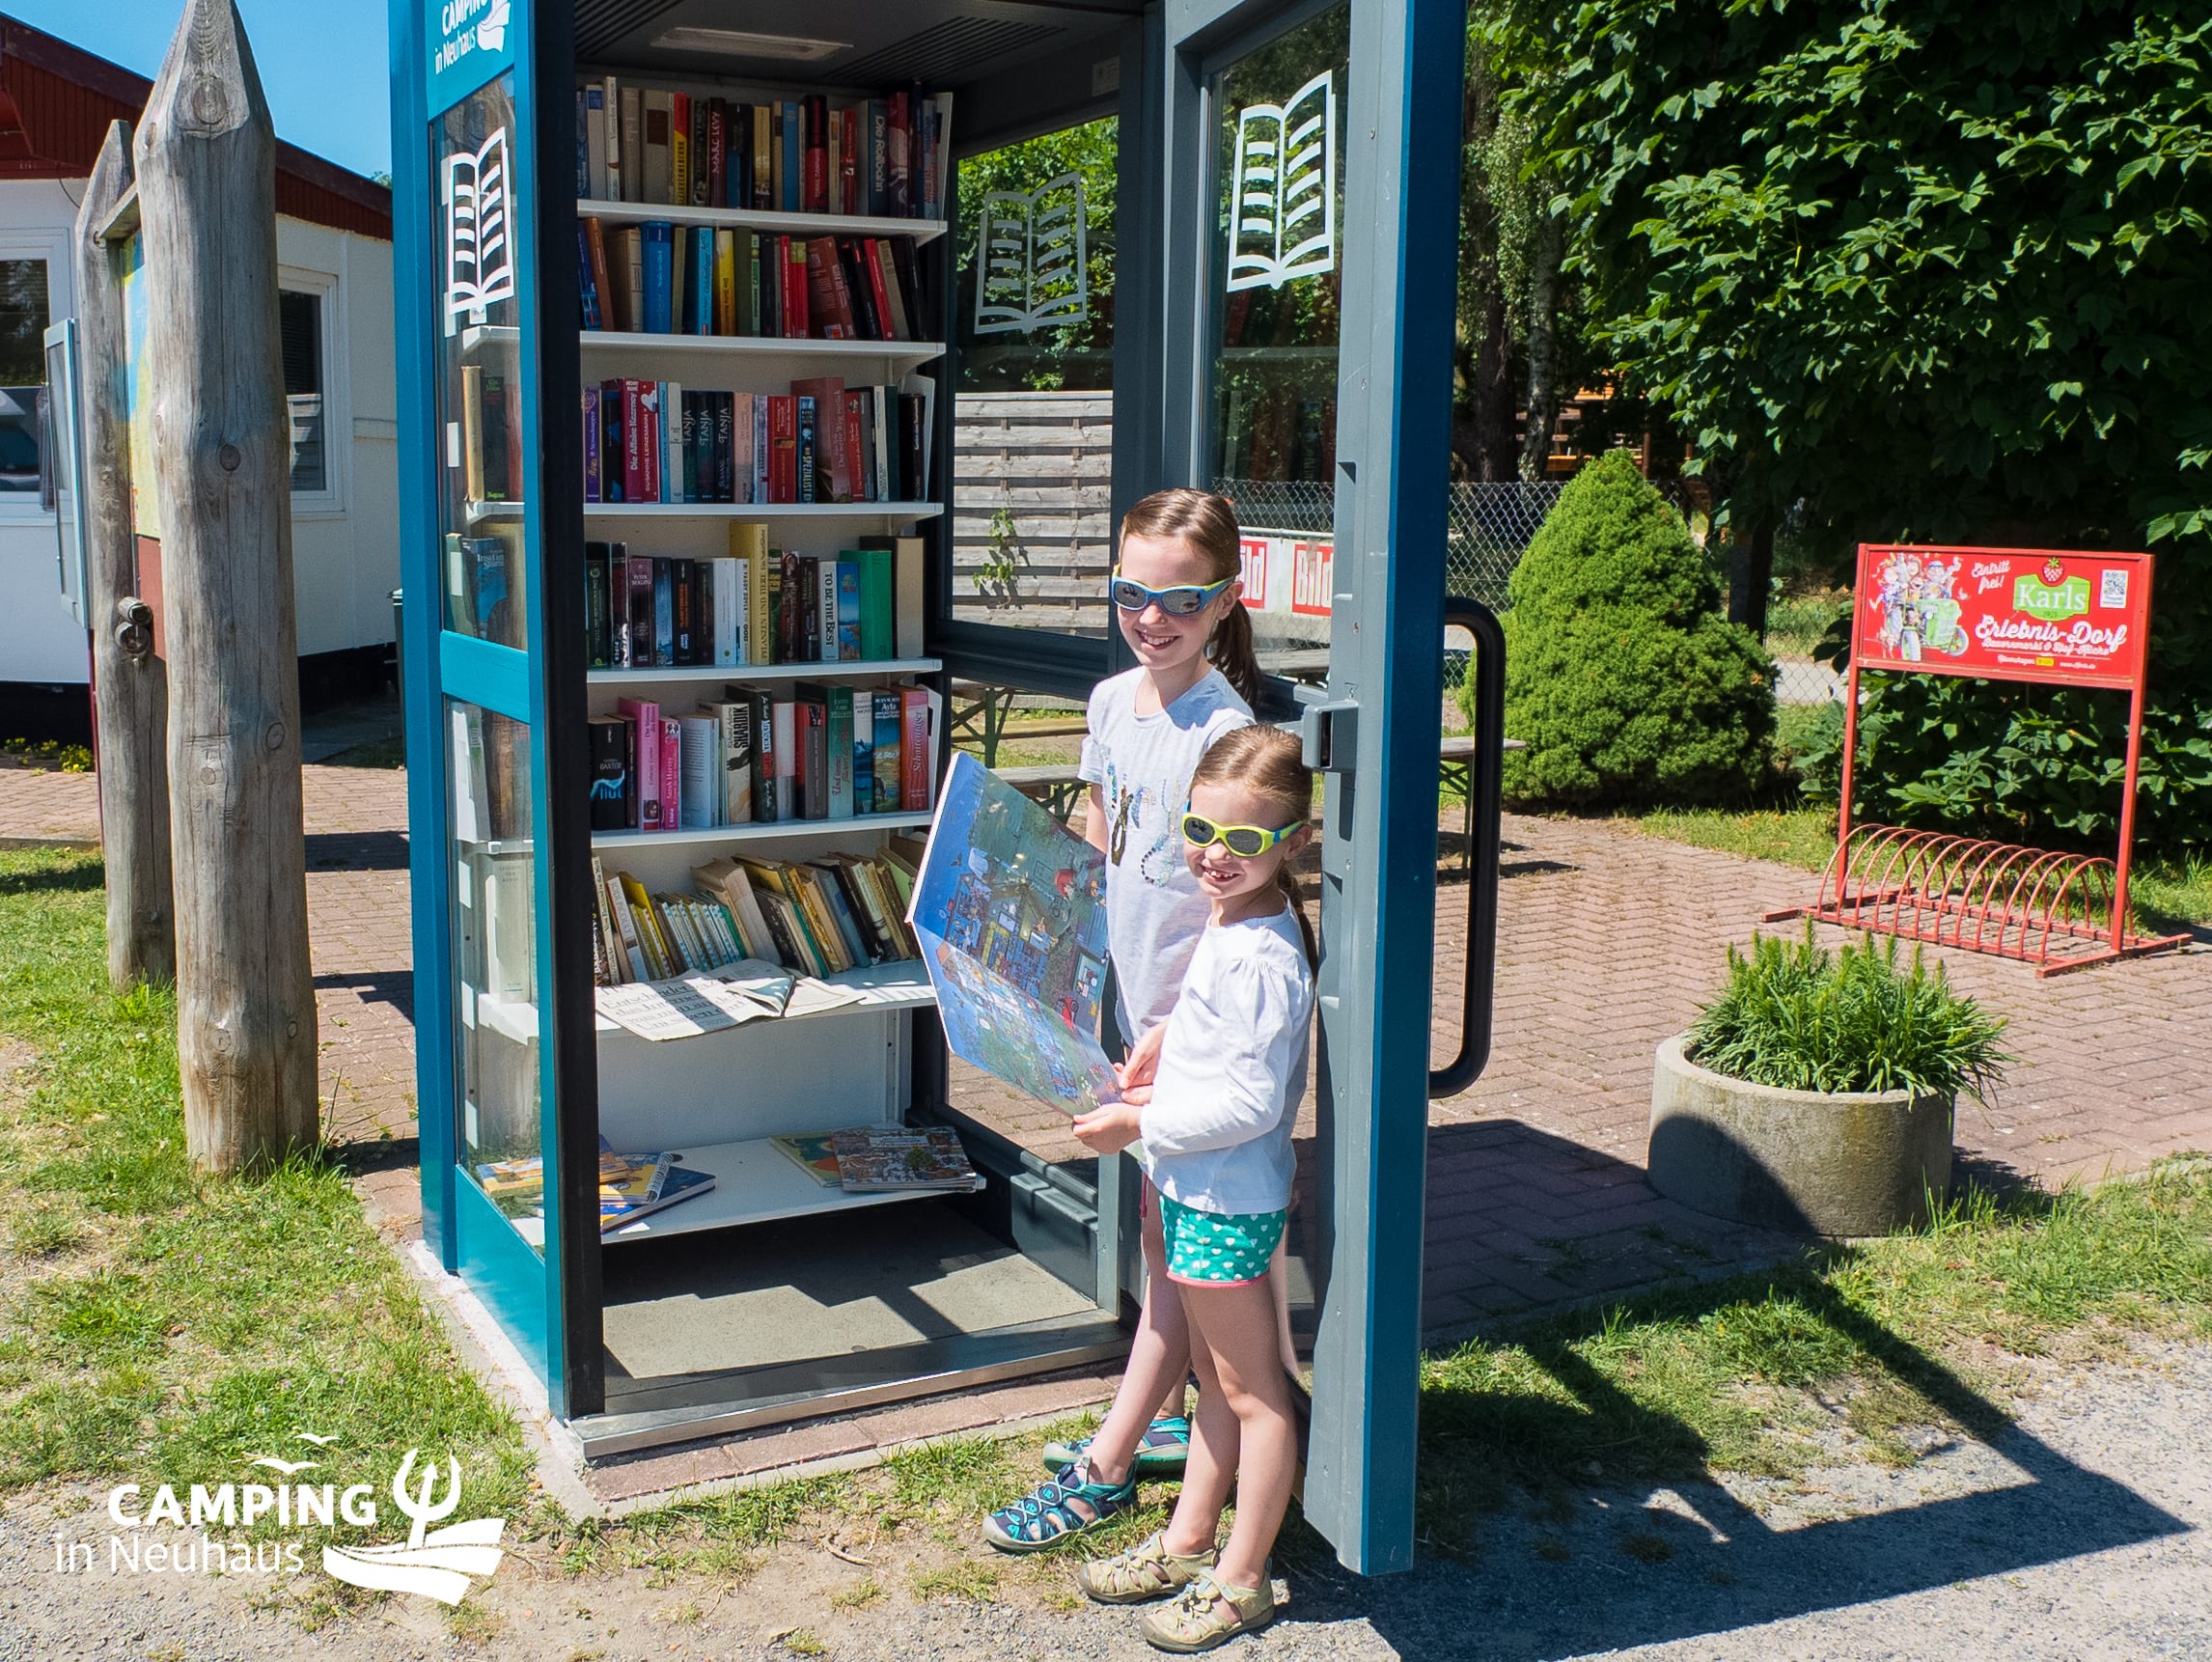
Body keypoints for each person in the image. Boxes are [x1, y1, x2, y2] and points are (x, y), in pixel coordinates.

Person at [982, 487, 1261, 1553]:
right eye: (1132, 593)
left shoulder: (1227, 731)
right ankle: (1172, 1423)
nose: (1153, 618)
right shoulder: (1109, 704)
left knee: (1173, 1247)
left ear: (1225, 601)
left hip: (1188, 1026)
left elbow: (1241, 896)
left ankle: (1108, 1461)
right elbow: (1096, 840)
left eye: (1180, 599)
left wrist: (1175, 1029)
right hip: (1129, 1006)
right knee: (1163, 1239)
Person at [1071, 724, 1317, 1650]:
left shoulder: (1261, 952)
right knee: (1222, 1382)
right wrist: (1170, 1036)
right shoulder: (1244, 918)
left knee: (1252, 1393)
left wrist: (1139, 1124)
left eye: (1246, 840)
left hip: (1221, 1198)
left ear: (1293, 840)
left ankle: (1241, 1578)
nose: (1217, 856)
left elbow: (1251, 1101)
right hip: (1207, 1192)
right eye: (1200, 831)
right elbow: (1224, 1040)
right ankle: (1189, 1542)